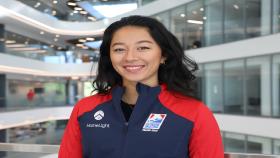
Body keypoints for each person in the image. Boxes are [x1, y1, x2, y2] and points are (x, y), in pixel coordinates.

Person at [59, 15, 224, 158]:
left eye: (143, 48)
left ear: (163, 55)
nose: (130, 57)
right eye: (119, 49)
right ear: (109, 56)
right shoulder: (85, 109)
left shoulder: (194, 113)